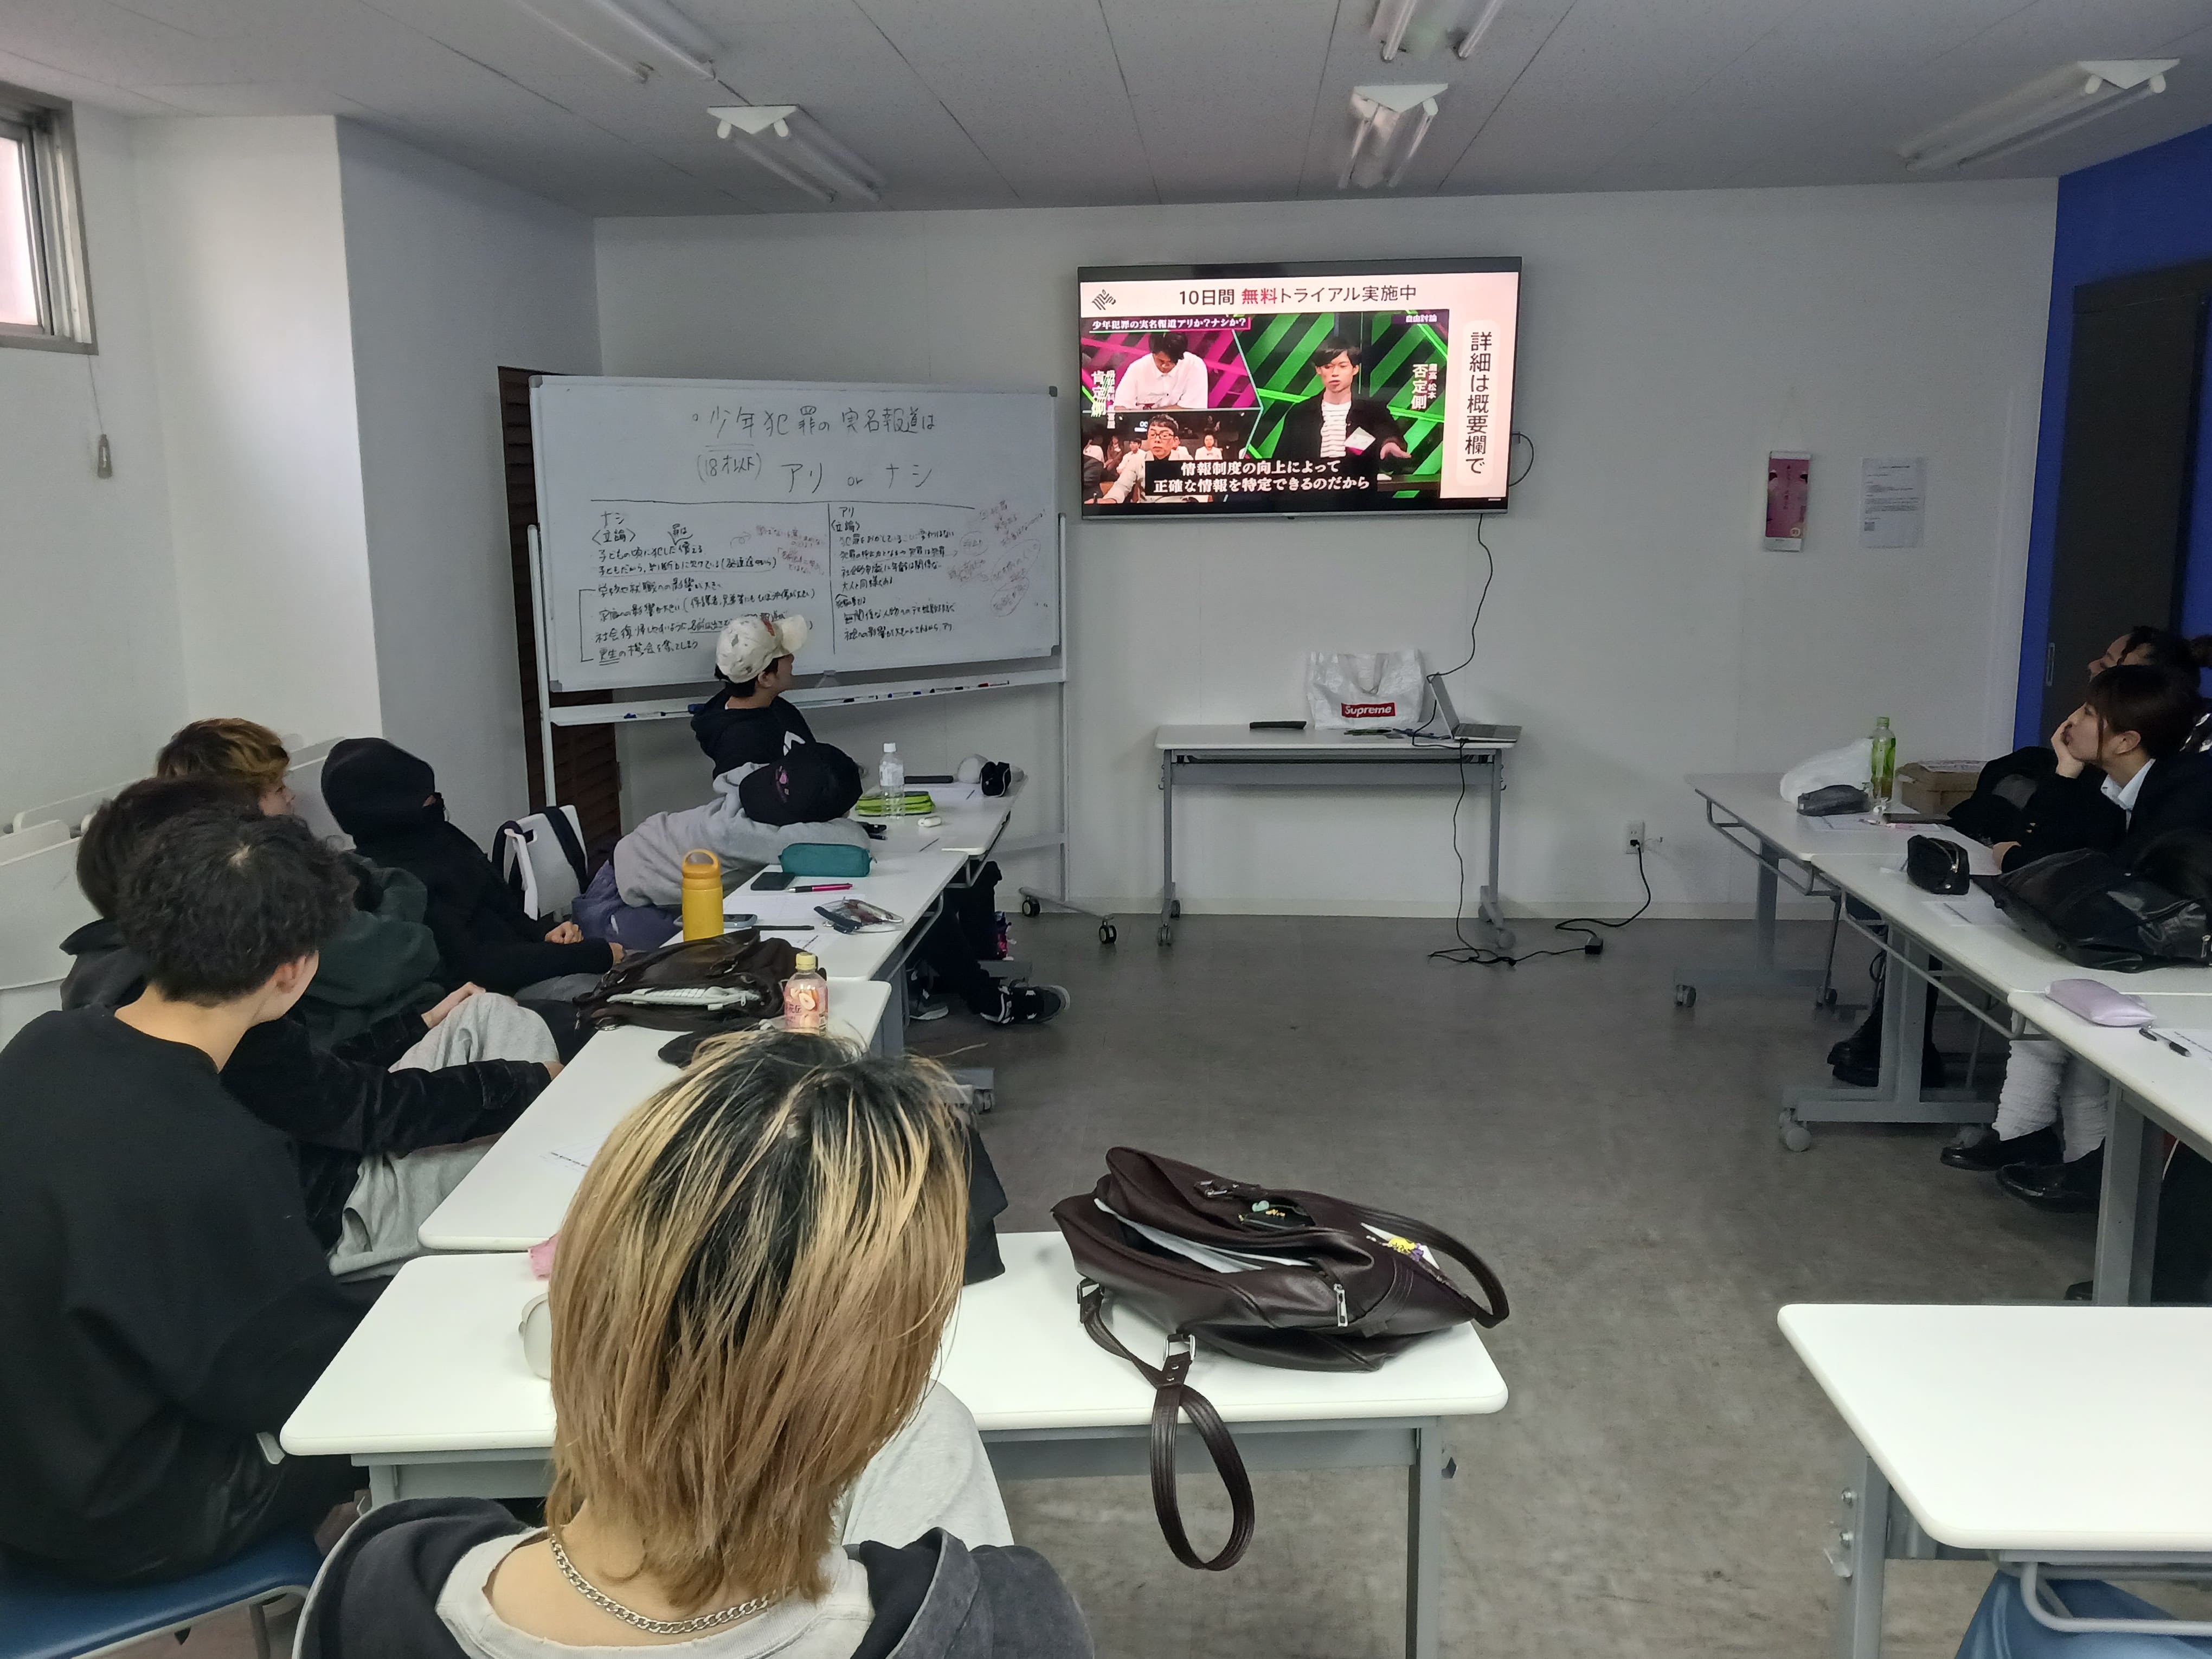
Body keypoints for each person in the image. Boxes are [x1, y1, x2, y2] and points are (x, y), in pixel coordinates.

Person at [295, 1028, 1094, 1659]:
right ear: (878, 1388)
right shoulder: (993, 1618)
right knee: (936, 1421)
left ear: (577, 1305)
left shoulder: (378, 1590)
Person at [0, 811, 383, 1582]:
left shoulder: (42, 1043)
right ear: (292, 970)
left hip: (30, 1465)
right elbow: (291, 1382)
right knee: (415, 1396)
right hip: (121, 1514)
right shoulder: (224, 1149)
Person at [61, 781, 560, 1278]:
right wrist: (532, 1083)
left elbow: (316, 1083)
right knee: (538, 1142)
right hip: (342, 1217)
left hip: (332, 1158)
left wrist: (419, 1026)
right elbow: (362, 1108)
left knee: (490, 1018)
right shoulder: (221, 1030)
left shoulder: (109, 1010)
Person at [1941, 668, 2212, 1209]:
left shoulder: (2186, 790)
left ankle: (2069, 1158)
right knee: (2059, 991)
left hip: (2184, 946)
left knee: (2074, 1002)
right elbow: (2048, 861)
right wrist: (2065, 771)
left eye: (2089, 713)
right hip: (2145, 937)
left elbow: (2098, 876)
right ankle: (2059, 1151)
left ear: (2126, 740)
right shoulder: (2105, 781)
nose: (2071, 721)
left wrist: (2023, 859)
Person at [157, 718, 445, 1047]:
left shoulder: (213, 872)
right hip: (372, 1043)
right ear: (243, 805)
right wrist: (396, 914)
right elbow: (405, 955)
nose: (291, 796)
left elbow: (386, 880)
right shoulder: (266, 894)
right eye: (279, 789)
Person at [322, 737, 620, 1003]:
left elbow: (502, 905)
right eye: (425, 799)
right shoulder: (401, 883)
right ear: (393, 810)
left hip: (530, 965)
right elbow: (478, 967)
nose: (436, 803)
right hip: (496, 996)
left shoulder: (442, 838)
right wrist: (590, 956)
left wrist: (545, 934)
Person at [693, 612, 815, 776]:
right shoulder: (742, 748)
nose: (792, 658)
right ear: (765, 678)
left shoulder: (771, 704)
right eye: (784, 655)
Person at [1268, 335, 1410, 474]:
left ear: (1355, 369)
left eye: (1343, 366)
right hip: (1312, 487)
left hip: (1358, 487)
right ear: (1318, 370)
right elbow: (1281, 465)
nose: (1335, 373)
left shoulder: (1373, 412)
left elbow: (1388, 443)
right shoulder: (1301, 413)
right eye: (1328, 367)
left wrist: (1390, 446)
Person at [1097, 415, 1192, 505]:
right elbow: (1122, 485)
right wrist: (1112, 499)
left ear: (1175, 441)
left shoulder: (1185, 460)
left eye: (1164, 435)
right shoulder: (1138, 460)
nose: (1157, 440)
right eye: (1153, 435)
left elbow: (1195, 491)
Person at [1111, 329, 1207, 410]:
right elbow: (1121, 407)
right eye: (1161, 361)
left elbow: (1193, 410)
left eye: (1171, 362)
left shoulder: (1195, 366)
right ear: (1153, 354)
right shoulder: (1137, 368)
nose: (1165, 366)